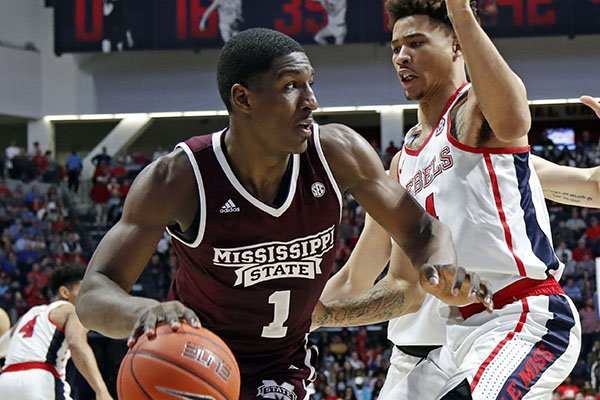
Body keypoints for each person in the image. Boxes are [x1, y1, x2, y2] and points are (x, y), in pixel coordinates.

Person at [76, 28, 492, 400]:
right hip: (193, 357)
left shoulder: (337, 153)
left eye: (310, 84)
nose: (311, 101)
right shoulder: (179, 178)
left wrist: (440, 264)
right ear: (244, 99)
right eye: (291, 86)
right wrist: (145, 311)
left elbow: (420, 228)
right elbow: (94, 290)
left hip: (282, 367)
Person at [317, 1, 584, 399]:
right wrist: (309, 315)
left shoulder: (473, 113)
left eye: (416, 43)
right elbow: (393, 286)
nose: (401, 56)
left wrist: (460, 11)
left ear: (456, 44)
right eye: (395, 47)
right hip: (455, 333)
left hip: (522, 313)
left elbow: (514, 119)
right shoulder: (401, 165)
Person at [0, 265, 112, 400]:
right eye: (85, 291)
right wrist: (101, 391)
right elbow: (76, 343)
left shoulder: (28, 315)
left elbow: (2, 348)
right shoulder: (71, 310)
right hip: (40, 379)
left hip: (5, 382)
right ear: (65, 292)